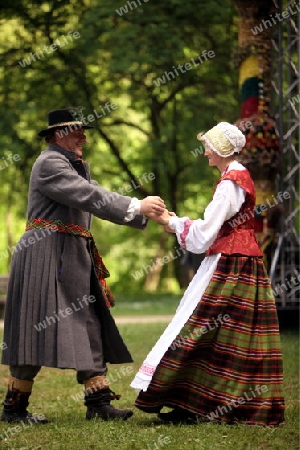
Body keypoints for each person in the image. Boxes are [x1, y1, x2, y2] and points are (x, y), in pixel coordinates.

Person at [1, 107, 165, 424]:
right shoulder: (50, 163)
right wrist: (136, 205)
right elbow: (90, 197)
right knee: (31, 333)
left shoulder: (74, 165)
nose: (84, 137)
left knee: (89, 322)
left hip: (71, 254)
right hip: (43, 255)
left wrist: (147, 213)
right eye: (78, 132)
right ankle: (14, 409)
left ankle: (99, 402)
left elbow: (98, 196)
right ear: (58, 134)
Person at [131, 122, 285, 426]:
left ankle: (192, 402)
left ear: (220, 150)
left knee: (198, 327)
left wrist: (171, 221)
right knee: (229, 335)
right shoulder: (237, 178)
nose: (204, 153)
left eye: (207, 147)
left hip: (230, 265)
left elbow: (203, 236)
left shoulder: (230, 184)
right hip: (242, 261)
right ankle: (199, 402)